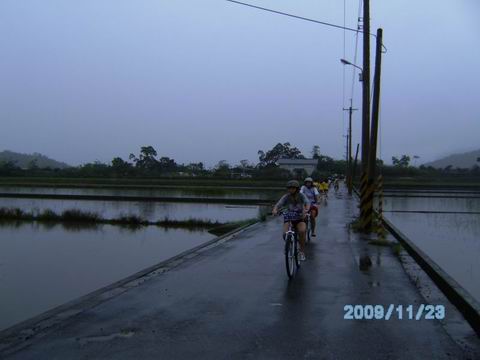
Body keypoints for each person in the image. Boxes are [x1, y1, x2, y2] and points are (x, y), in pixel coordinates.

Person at [272, 180, 310, 261]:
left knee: (302, 231)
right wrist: (275, 210)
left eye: (293, 188)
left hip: (300, 218)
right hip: (289, 218)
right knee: (285, 234)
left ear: (297, 188)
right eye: (289, 188)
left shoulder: (301, 196)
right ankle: (289, 246)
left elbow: (307, 202)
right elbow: (279, 204)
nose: (291, 190)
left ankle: (302, 252)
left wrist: (306, 209)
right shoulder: (286, 196)